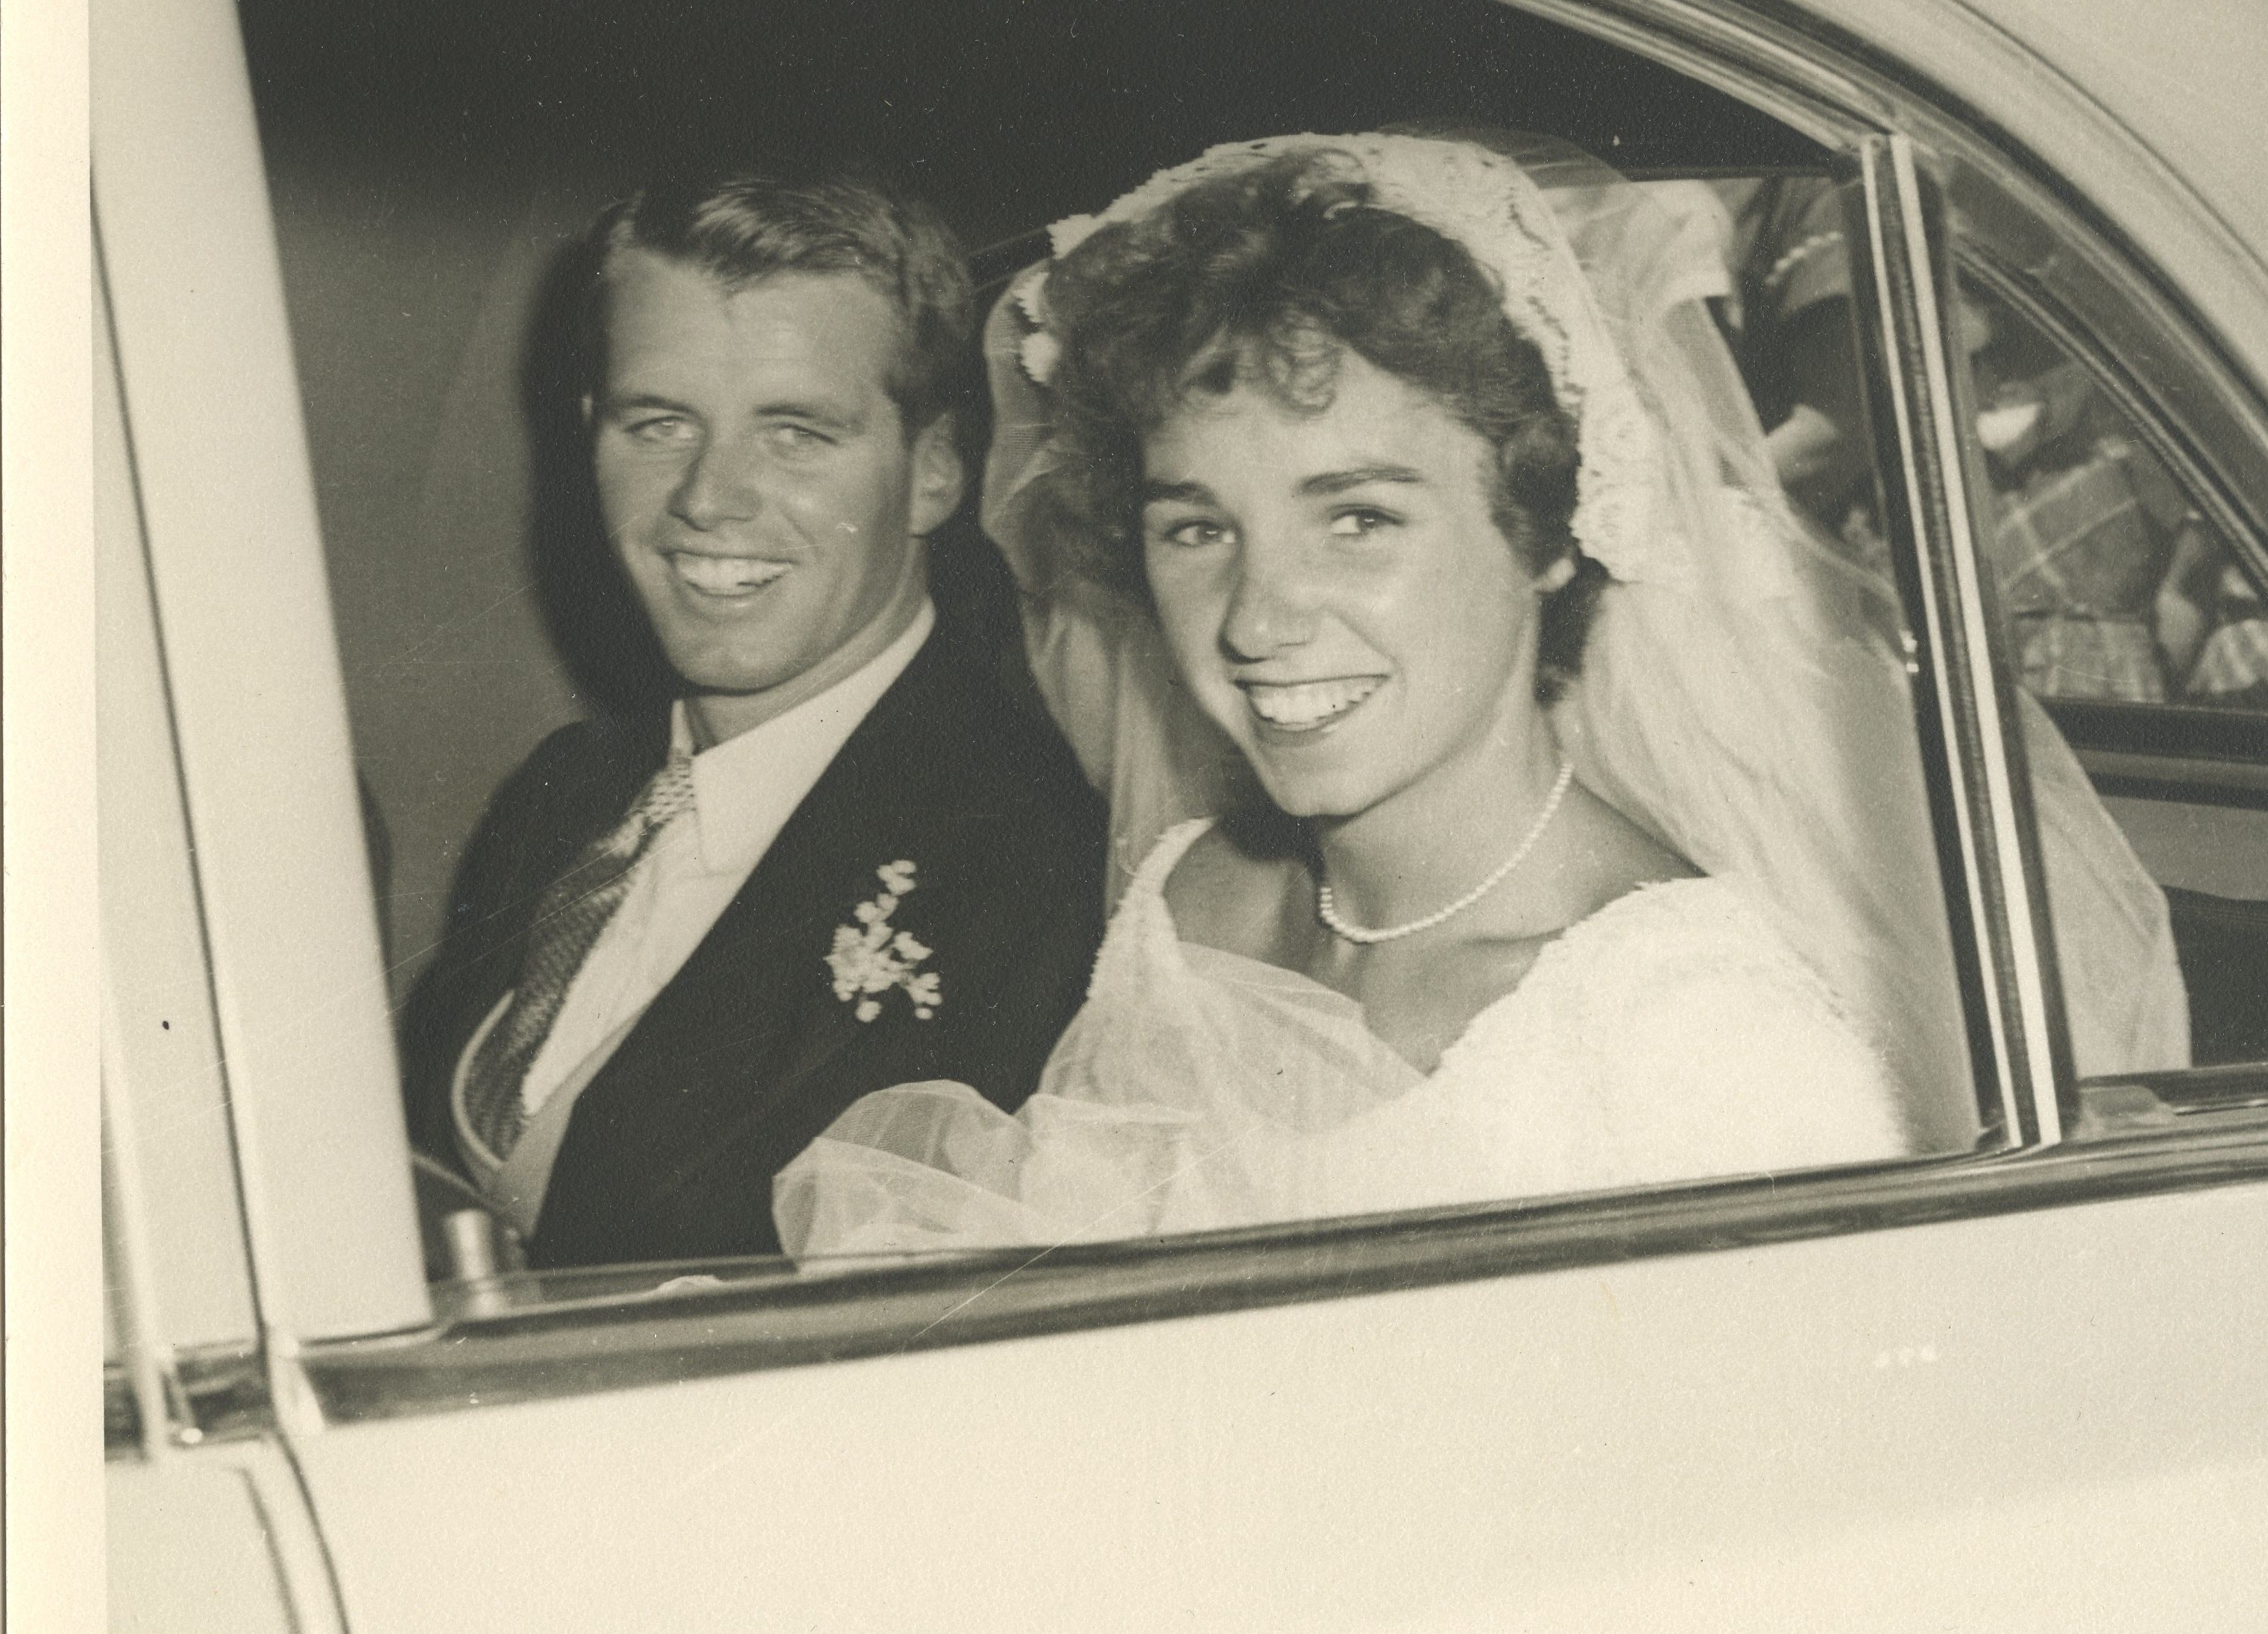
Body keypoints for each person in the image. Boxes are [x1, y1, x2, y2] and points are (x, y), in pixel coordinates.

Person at [775, 136, 2184, 1258]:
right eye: (1198, 527)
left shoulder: (1695, 1037)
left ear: (1547, 528)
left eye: (1360, 519)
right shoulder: (1188, 903)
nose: (1259, 619)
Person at [400, 168, 1109, 1268]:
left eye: (796, 433)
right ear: (590, 433)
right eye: (659, 422)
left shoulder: (1037, 882)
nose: (706, 497)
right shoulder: (565, 788)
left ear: (931, 474)